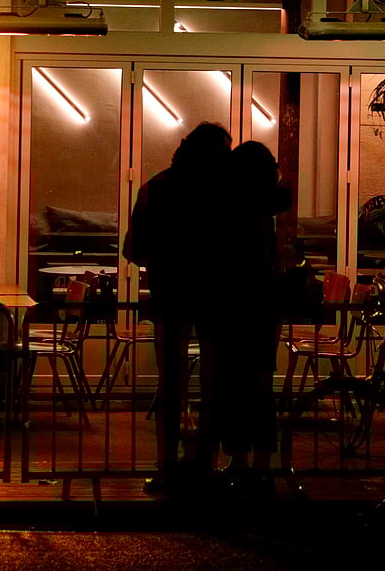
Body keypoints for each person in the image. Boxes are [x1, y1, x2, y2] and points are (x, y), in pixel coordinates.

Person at [123, 122, 234, 492]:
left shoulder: (157, 187)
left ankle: (168, 463)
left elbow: (133, 250)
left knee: (172, 383)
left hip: (170, 294)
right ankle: (207, 462)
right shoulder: (226, 193)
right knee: (215, 383)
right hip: (217, 297)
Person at [219, 140, 293, 484]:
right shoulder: (267, 210)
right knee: (262, 385)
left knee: (233, 386)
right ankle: (262, 460)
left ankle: (238, 458)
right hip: (264, 307)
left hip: (233, 305)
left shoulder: (231, 209)